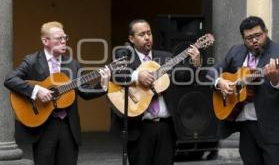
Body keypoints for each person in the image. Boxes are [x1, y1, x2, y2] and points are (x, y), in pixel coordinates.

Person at [4, 21, 111, 165]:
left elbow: (84, 91)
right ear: (45, 41)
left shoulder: (73, 64)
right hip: (44, 126)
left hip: (68, 126)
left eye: (65, 38)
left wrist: (102, 85)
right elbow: (10, 79)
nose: (63, 41)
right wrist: (37, 90)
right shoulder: (32, 61)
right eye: (58, 38)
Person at [207, 16, 279, 165]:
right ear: (243, 39)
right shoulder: (235, 51)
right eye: (249, 38)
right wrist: (219, 82)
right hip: (245, 127)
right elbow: (211, 71)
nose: (255, 41)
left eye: (258, 35)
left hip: (272, 127)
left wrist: (275, 79)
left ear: (266, 32)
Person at [110, 19, 201, 165]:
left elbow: (183, 77)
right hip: (139, 129)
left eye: (149, 33)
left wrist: (195, 65)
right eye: (142, 34)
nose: (147, 37)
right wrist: (137, 76)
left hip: (166, 127)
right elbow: (115, 75)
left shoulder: (165, 57)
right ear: (131, 39)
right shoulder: (125, 57)